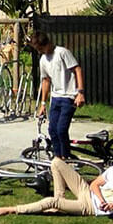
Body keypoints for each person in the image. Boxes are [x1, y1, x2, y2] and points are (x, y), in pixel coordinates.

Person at [0, 159, 113, 218]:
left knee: (50, 201)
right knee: (56, 163)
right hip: (88, 192)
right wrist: (102, 200)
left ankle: (11, 209)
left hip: (90, 207)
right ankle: (60, 201)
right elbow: (94, 184)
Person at [32, 28, 84, 159]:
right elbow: (46, 81)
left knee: (61, 129)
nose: (40, 51)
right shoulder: (43, 60)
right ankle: (58, 157)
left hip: (69, 97)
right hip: (55, 98)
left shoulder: (62, 53)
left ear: (47, 44)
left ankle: (66, 157)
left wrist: (80, 93)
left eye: (41, 49)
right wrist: (43, 104)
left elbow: (77, 69)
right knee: (52, 130)